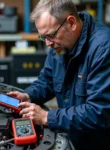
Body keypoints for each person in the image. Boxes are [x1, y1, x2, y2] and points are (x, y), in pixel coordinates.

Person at [8, 0, 110, 149]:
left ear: (72, 22)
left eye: (50, 35)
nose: (48, 43)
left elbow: (99, 112)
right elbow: (47, 81)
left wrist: (47, 117)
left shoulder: (103, 49)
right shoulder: (60, 45)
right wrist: (28, 96)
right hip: (74, 138)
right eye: (43, 37)